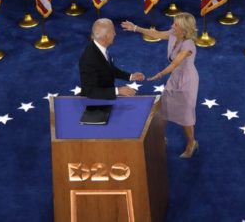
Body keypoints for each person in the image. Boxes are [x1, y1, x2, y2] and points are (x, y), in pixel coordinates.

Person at [122, 13, 200, 158]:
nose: (172, 26)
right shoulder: (173, 34)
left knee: (185, 114)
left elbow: (175, 63)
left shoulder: (188, 45)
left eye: (175, 24)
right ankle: (160, 137)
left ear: (183, 30)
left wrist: (158, 75)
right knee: (164, 106)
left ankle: (191, 143)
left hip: (186, 81)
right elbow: (156, 33)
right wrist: (135, 28)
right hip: (175, 77)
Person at [79, 18, 144, 100]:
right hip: (95, 103)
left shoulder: (100, 48)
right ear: (106, 36)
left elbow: (109, 69)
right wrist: (117, 91)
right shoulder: (89, 60)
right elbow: (90, 92)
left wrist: (130, 76)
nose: (115, 34)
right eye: (113, 31)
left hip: (105, 97)